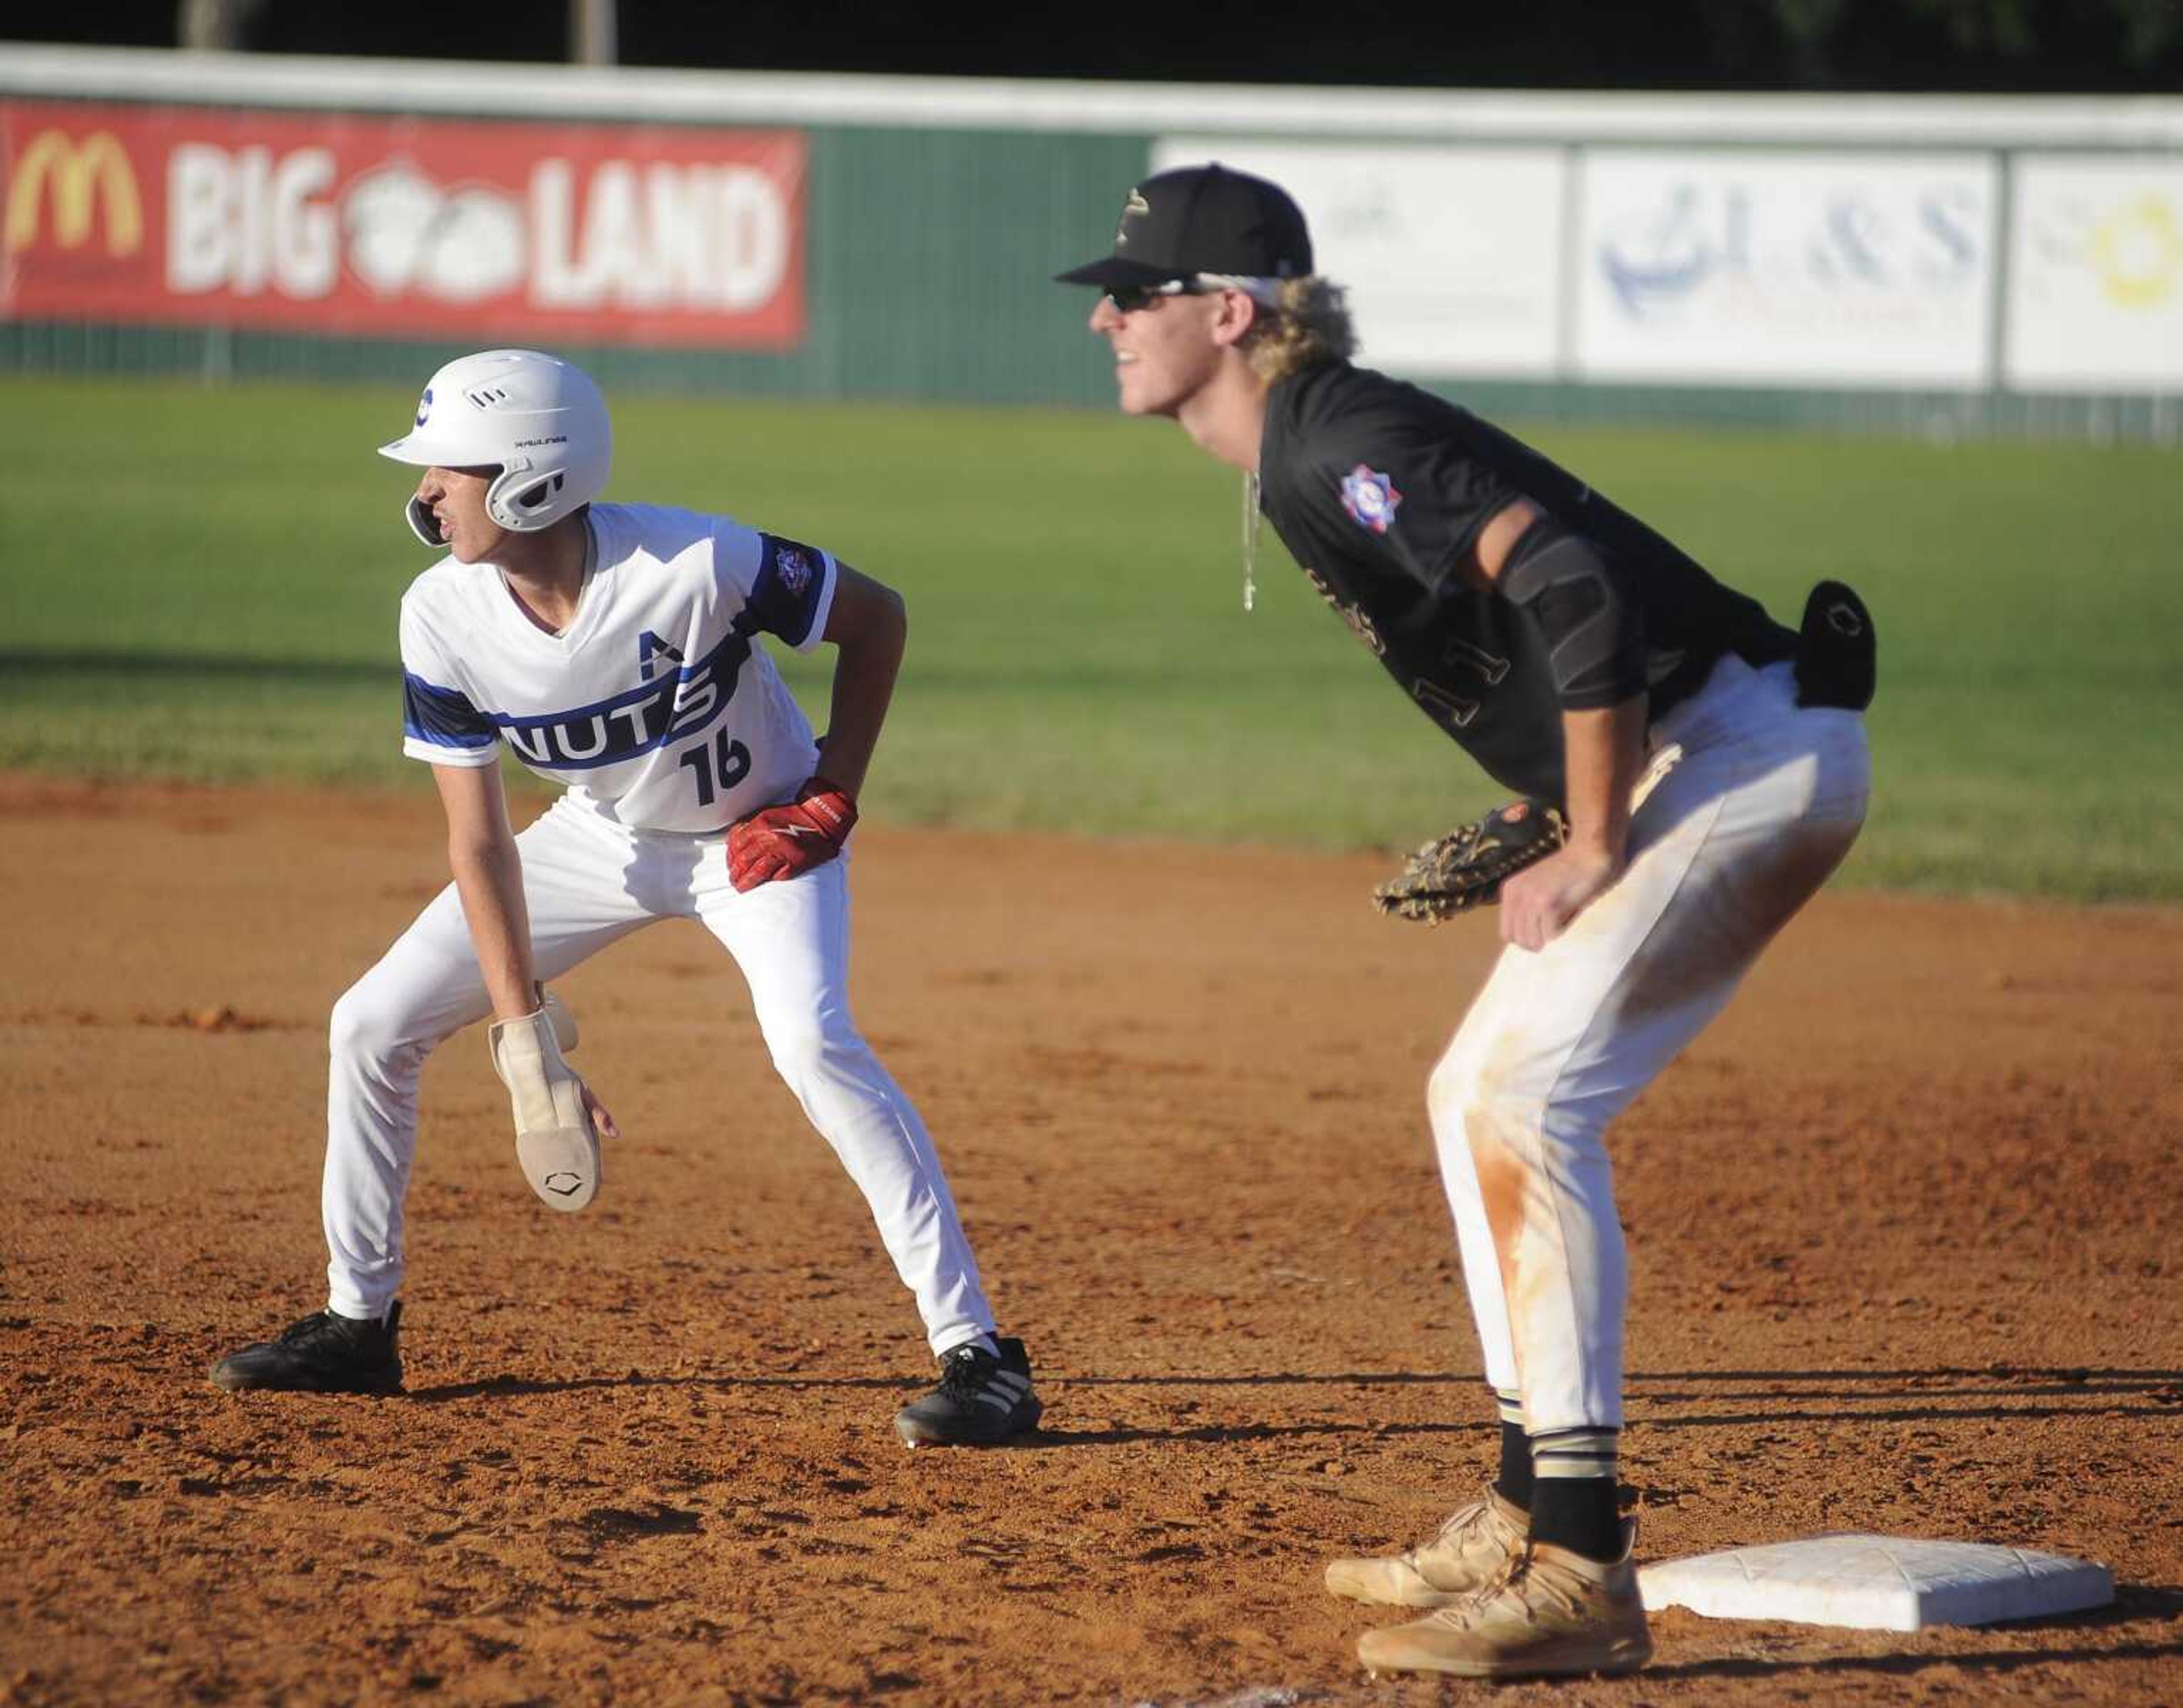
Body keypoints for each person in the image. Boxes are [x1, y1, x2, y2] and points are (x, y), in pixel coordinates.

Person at [1057, 166, 1872, 1678]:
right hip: (1711, 740)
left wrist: (1600, 833)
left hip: (1749, 755)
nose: (1106, 314)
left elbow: (1572, 589)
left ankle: (1582, 1561)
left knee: (1524, 1096)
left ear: (1227, 313)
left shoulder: (1333, 438)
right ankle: (1522, 1505)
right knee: (1469, 1093)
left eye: (1136, 291)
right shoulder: (1306, 443)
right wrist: (1569, 807)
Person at [207, 348, 1043, 1450]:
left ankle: (981, 1354)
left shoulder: (698, 562)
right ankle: (359, 1324)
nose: (422, 493)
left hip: (759, 839)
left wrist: (834, 788)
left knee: (813, 1042)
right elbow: (480, 837)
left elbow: (877, 617)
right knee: (368, 1023)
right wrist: (523, 1040)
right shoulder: (442, 615)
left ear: (532, 478)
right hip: (598, 839)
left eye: (447, 470)